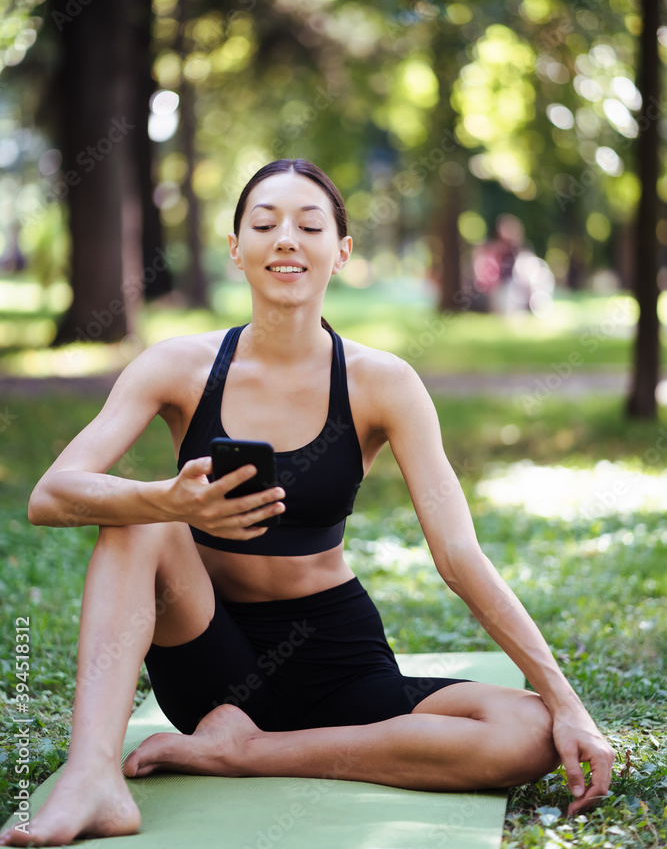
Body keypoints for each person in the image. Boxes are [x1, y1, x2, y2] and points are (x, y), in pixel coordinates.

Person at [0, 159, 614, 847]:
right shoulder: (177, 366)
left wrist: (566, 705)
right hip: (210, 664)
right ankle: (93, 780)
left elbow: (456, 553)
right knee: (137, 522)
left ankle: (243, 753)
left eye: (309, 225)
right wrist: (170, 500)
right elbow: (50, 495)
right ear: (236, 249)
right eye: (263, 224)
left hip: (336, 661)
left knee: (526, 734)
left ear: (341, 252)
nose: (286, 239)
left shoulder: (383, 383)